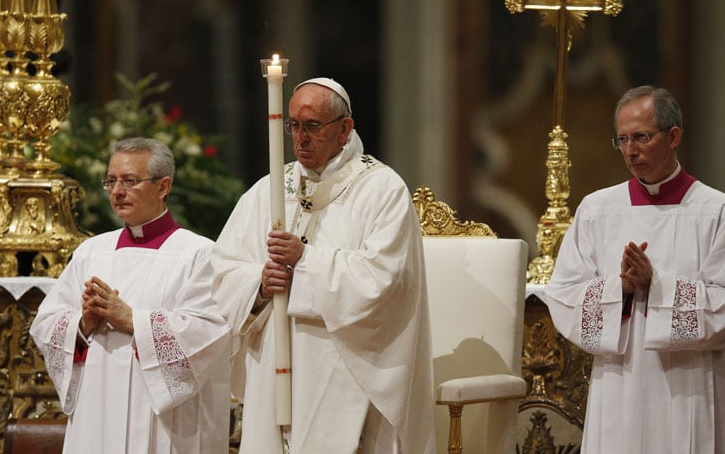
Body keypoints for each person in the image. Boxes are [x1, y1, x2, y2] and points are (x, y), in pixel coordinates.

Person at [210, 78, 435, 453]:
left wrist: (305, 260)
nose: (300, 138)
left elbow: (386, 280)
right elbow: (223, 270)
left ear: (344, 129)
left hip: (346, 364)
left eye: (312, 126)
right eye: (294, 126)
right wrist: (262, 285)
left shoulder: (381, 190)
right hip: (273, 363)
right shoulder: (270, 189)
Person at [544, 85, 725, 453]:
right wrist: (621, 289)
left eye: (642, 138)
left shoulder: (718, 212)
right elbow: (564, 295)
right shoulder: (597, 210)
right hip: (620, 381)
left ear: (673, 136)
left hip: (688, 385)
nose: (630, 151)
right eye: (622, 140)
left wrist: (657, 285)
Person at [30, 137, 231, 454]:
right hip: (97, 409)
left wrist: (134, 321)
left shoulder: (199, 253)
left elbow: (208, 333)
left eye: (130, 181)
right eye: (111, 181)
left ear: (163, 186)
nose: (117, 191)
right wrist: (82, 324)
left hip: (162, 419)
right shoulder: (92, 252)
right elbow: (45, 324)